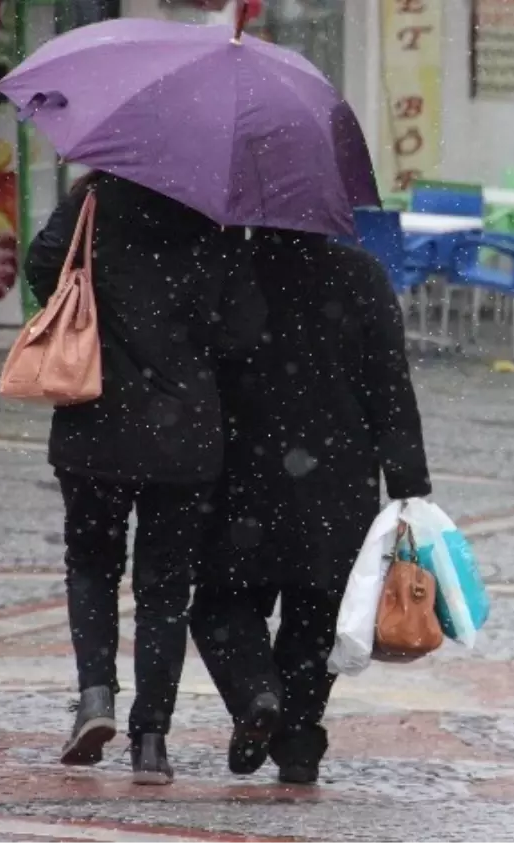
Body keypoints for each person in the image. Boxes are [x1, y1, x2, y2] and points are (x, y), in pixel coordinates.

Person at [24, 172, 261, 784]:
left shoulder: (96, 196)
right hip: (185, 434)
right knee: (165, 589)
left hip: (96, 416)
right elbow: (240, 333)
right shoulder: (214, 215)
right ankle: (151, 738)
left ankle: (96, 694)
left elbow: (43, 266)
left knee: (92, 562)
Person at [190, 227, 431, 785]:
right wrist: (406, 480)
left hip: (240, 471)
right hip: (336, 479)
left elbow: (196, 370)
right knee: (317, 614)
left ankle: (256, 694)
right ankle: (297, 739)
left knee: (222, 602)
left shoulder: (228, 270)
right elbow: (390, 384)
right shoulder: (360, 275)